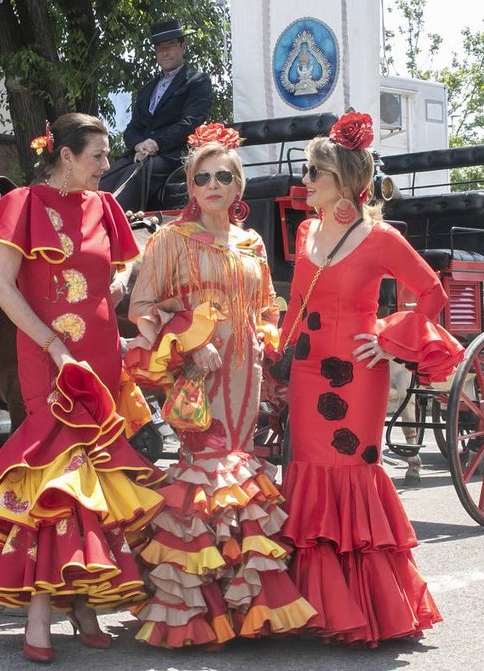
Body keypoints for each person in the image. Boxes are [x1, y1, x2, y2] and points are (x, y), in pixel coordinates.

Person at [0, 113, 166, 664]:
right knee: (56, 474)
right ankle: (41, 605)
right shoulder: (25, 204)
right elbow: (1, 288)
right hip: (48, 358)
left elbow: (117, 273)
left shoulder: (106, 208)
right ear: (65, 156)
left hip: (100, 356)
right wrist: (53, 345)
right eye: (98, 156)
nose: (107, 166)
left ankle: (79, 600)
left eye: (106, 156)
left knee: (93, 478)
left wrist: (128, 278)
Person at [275, 111, 462, 646]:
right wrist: (281, 358)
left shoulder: (380, 237)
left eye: (316, 173)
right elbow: (296, 304)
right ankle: (314, 607)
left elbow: (432, 293)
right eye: (308, 171)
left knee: (351, 473)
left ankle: (365, 610)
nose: (306, 181)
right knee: (308, 471)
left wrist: (386, 336)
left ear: (346, 182)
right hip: (309, 372)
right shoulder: (308, 229)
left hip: (358, 377)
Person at [126, 123, 316, 649]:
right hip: (197, 374)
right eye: (202, 177)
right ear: (191, 188)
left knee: (240, 461)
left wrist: (272, 343)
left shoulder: (252, 243)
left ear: (238, 188)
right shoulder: (169, 241)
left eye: (223, 177)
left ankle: (244, 605)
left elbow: (265, 307)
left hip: (246, 371)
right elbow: (141, 308)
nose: (212, 184)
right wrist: (186, 341)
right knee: (205, 470)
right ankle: (195, 613)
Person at [99, 19, 214, 213]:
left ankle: (115, 223)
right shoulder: (147, 89)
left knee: (138, 174)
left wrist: (156, 143)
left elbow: (190, 123)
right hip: (141, 153)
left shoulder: (197, 82)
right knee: (105, 174)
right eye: (160, 48)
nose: (165, 53)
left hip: (174, 155)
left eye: (170, 47)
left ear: (183, 47)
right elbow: (133, 128)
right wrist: (138, 144)